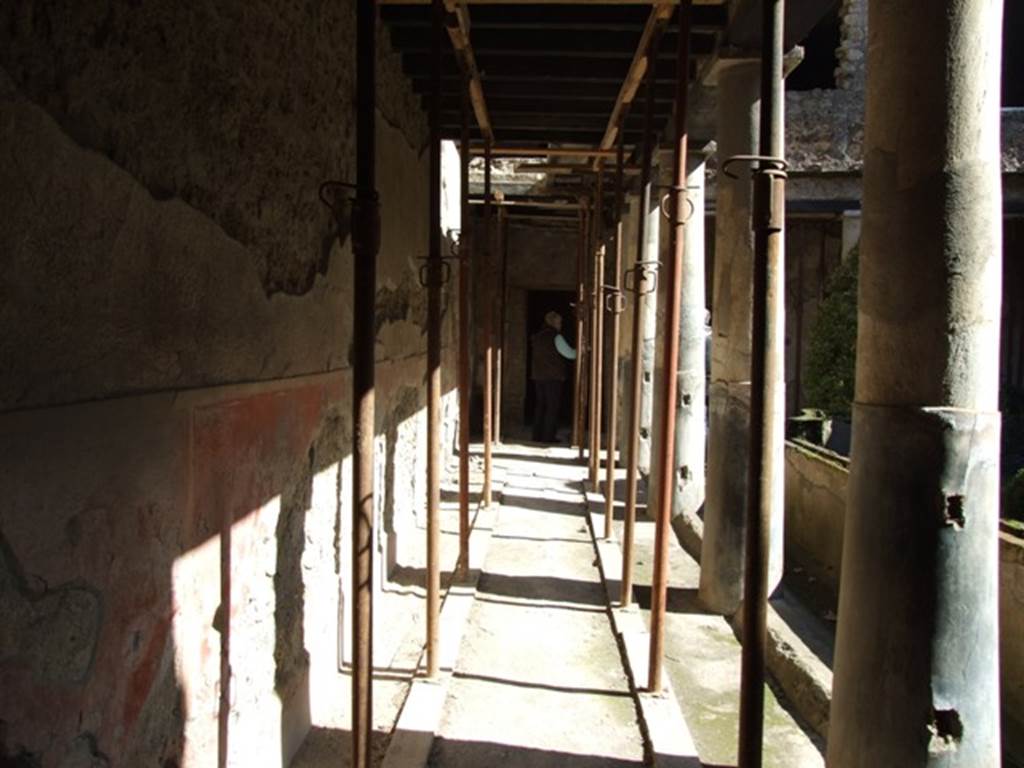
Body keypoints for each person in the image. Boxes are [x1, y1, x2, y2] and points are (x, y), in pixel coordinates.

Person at [530, 311, 576, 443]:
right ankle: (548, 437)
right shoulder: (556, 337)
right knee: (552, 407)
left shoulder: (537, 336)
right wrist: (583, 350)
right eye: (559, 322)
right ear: (553, 322)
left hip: (538, 376)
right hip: (553, 377)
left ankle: (537, 436)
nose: (560, 324)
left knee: (540, 406)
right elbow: (569, 354)